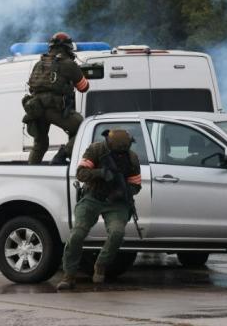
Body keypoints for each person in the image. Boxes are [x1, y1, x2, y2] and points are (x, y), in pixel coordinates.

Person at [57, 129, 142, 291]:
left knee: (117, 233)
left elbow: (136, 184)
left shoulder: (132, 158)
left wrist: (122, 192)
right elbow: (80, 173)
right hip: (93, 196)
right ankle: (69, 275)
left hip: (116, 202)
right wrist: (101, 173)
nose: (121, 153)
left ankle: (101, 264)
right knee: (77, 234)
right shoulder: (96, 150)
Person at [22, 32, 90, 164]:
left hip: (36, 109)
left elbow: (32, 88)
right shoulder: (68, 64)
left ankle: (30, 171)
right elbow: (83, 87)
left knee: (40, 144)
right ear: (67, 47)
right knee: (83, 128)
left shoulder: (39, 64)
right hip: (54, 109)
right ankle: (62, 155)